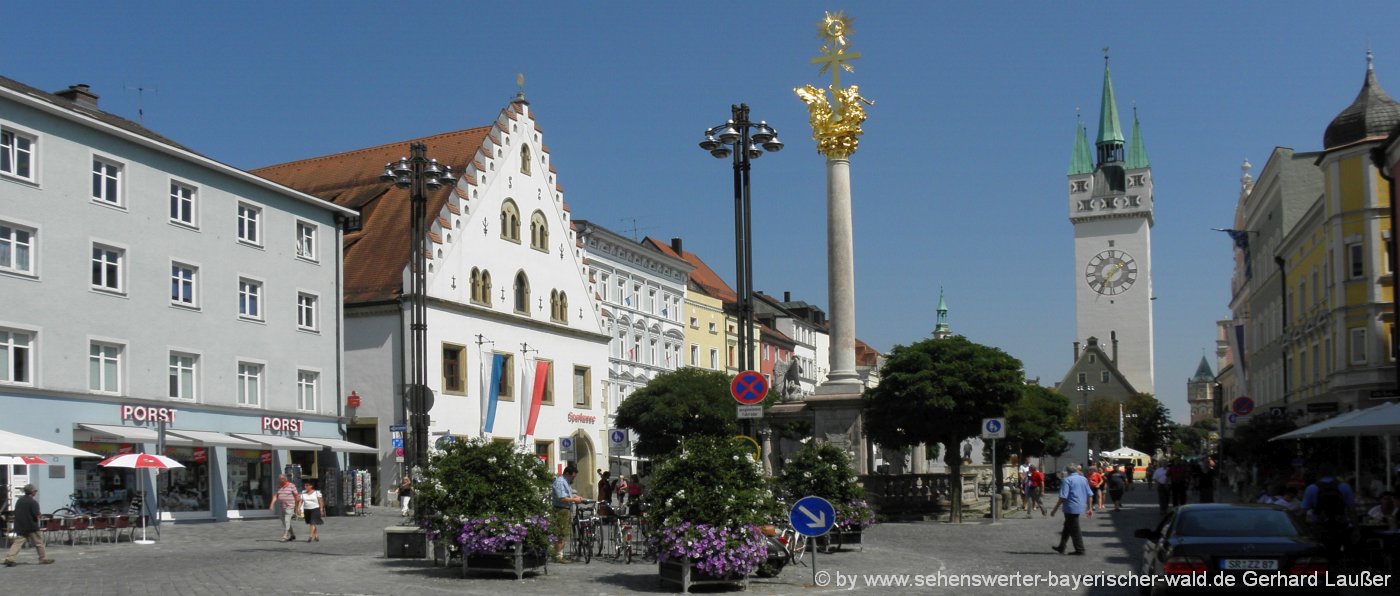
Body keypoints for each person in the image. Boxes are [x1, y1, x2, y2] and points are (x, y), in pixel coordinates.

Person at [1301, 466, 1357, 562]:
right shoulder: (1344, 487)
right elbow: (1352, 510)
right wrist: (1356, 528)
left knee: (1320, 555)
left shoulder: (1311, 488)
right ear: (1334, 474)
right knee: (1340, 555)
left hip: (1320, 527)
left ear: (1319, 475)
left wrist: (1302, 530)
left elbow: (1303, 512)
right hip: (1340, 526)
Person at [4, 484, 52, 567]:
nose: (36, 492)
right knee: (39, 543)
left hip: (20, 525)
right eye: (35, 491)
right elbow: (36, 515)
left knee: (17, 543)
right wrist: (40, 515)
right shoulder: (33, 502)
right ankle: (43, 558)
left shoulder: (19, 501)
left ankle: (10, 558)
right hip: (31, 526)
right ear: (32, 492)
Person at [1050, 464, 1093, 555]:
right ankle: (1062, 546)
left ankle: (1080, 549)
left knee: (1074, 529)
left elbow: (1063, 497)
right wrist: (1089, 508)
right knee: (1067, 527)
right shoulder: (1084, 479)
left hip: (1070, 507)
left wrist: (1054, 509)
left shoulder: (1067, 480)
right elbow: (1090, 494)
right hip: (1080, 505)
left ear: (1067, 472)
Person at [551, 465, 583, 563]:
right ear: (567, 474)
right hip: (561, 509)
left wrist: (574, 496)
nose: (574, 478)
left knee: (564, 533)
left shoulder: (565, 482)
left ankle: (559, 554)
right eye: (573, 476)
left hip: (566, 509)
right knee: (561, 532)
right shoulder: (560, 482)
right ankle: (558, 556)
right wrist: (574, 500)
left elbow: (566, 495)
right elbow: (562, 498)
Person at [268, 474, 301, 542]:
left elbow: (297, 496)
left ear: (285, 479)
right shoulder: (279, 486)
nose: (279, 481)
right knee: (285, 522)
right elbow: (275, 496)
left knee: (287, 520)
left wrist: (297, 507)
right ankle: (292, 535)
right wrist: (271, 504)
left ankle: (285, 535)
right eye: (279, 480)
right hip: (282, 507)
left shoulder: (292, 486)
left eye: (280, 480)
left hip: (290, 506)